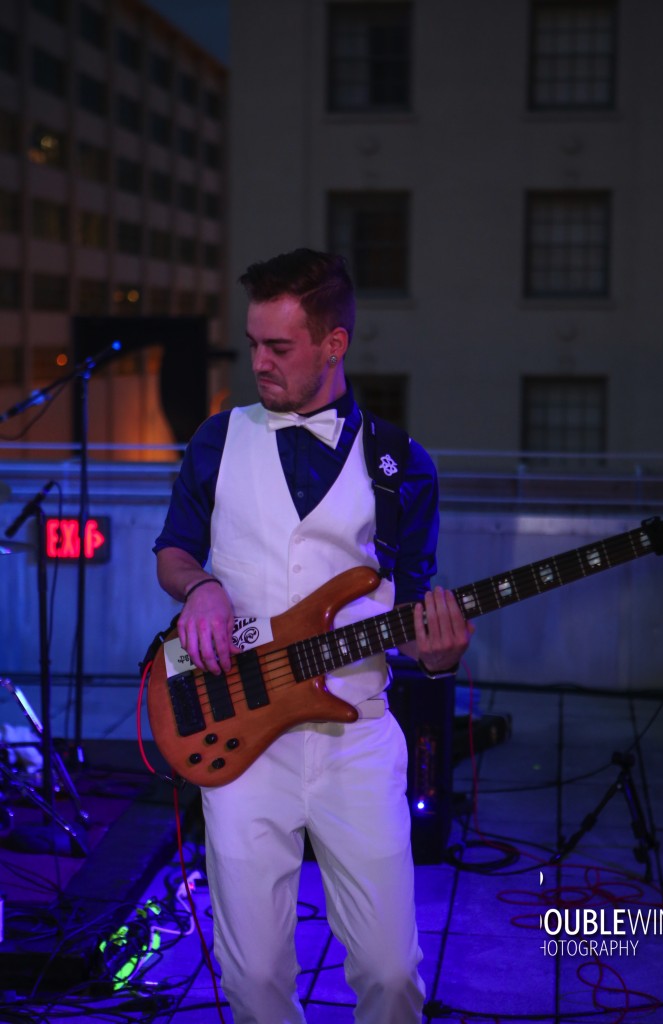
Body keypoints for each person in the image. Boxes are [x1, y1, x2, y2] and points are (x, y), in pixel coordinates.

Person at [154, 248, 472, 1024]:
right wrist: (200, 589)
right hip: (240, 733)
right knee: (252, 978)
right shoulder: (216, 439)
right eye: (253, 344)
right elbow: (173, 551)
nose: (258, 362)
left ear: (334, 344)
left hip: (355, 737)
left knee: (391, 974)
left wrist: (435, 655)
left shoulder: (403, 466)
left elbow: (410, 611)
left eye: (278, 347)